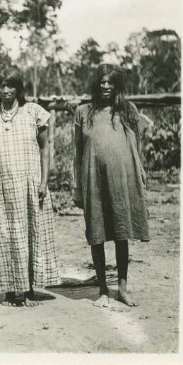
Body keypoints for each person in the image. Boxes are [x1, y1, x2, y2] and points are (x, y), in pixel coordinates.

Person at [0, 67, 60, 307]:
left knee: (31, 233)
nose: (6, 90)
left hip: (30, 184)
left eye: (10, 85)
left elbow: (44, 149)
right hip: (0, 186)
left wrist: (44, 182)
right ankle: (11, 291)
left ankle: (30, 290)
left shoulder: (33, 112)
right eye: (1, 86)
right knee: (5, 236)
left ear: (19, 88)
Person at [74, 64, 149, 307]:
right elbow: (78, 152)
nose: (106, 86)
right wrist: (77, 186)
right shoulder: (83, 112)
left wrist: (140, 177)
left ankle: (123, 288)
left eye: (110, 82)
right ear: (96, 85)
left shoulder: (128, 110)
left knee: (121, 232)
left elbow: (136, 149)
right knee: (96, 234)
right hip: (93, 179)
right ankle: (103, 291)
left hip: (121, 181)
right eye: (102, 82)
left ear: (117, 85)